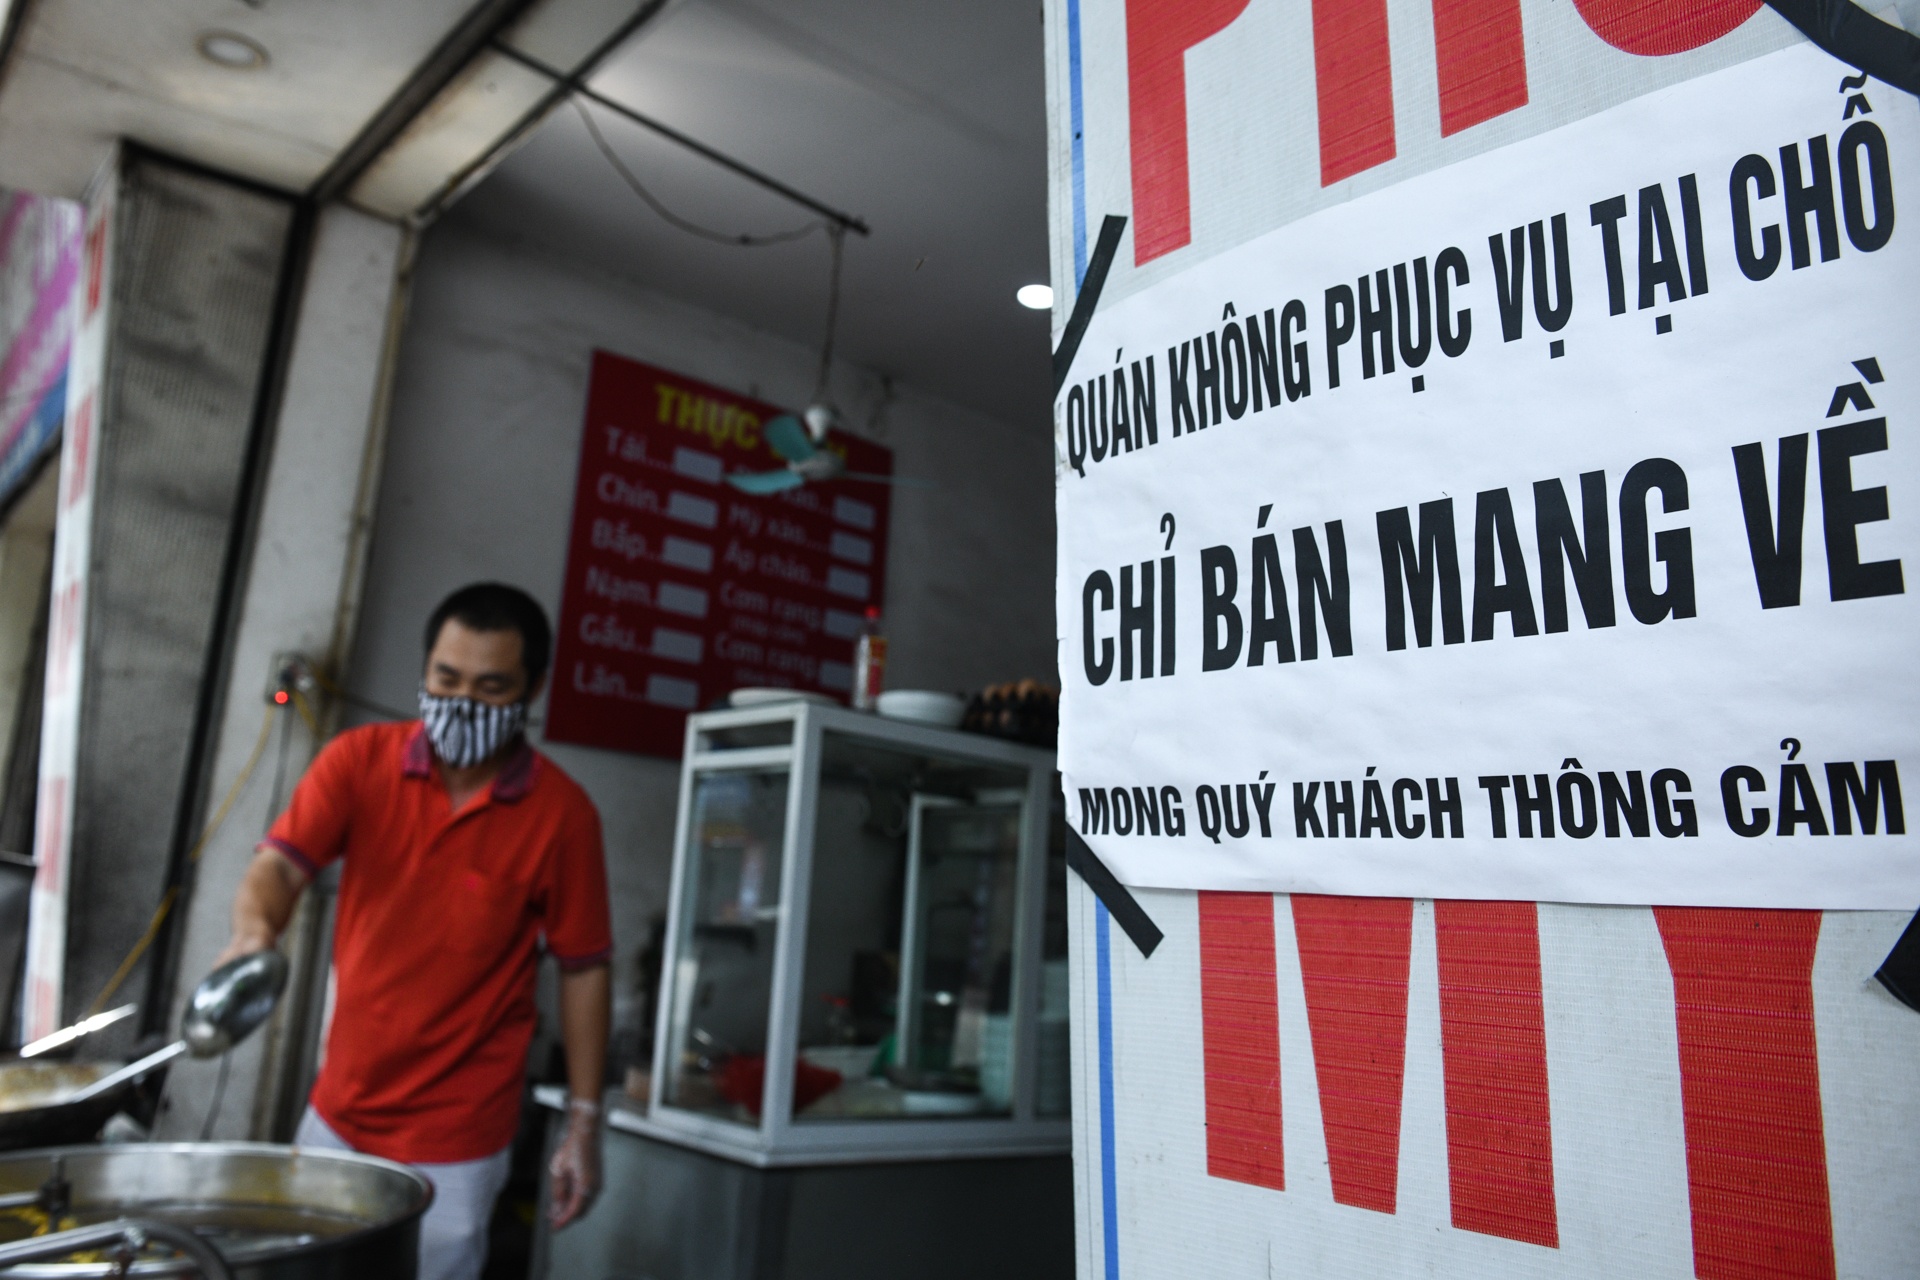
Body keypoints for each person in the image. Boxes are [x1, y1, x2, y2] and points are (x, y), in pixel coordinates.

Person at [220, 583, 612, 1280]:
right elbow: (279, 865)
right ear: (424, 670)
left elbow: (583, 968)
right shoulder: (358, 761)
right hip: (338, 1111)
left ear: (534, 689)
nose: (462, 701)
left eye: (492, 688)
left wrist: (584, 1122)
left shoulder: (563, 816)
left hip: (461, 1139)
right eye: (446, 679)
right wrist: (254, 934)